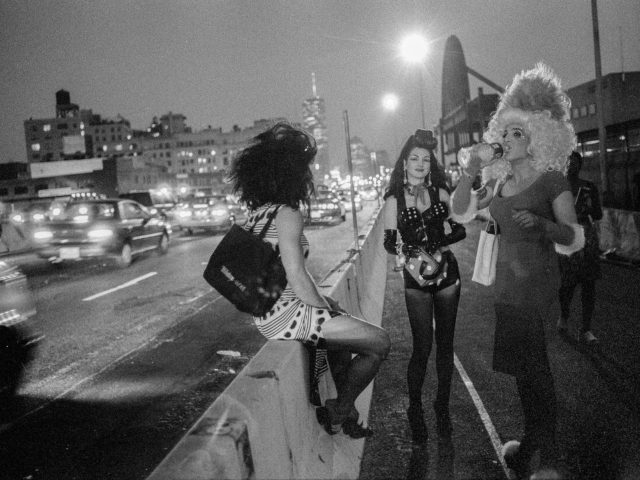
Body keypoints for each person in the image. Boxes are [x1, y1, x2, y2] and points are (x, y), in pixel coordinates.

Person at [451, 63, 584, 478]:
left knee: (537, 374)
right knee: (525, 376)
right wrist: (471, 169)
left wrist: (543, 225)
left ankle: (548, 458)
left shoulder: (552, 182)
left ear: (539, 137)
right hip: (507, 292)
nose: (507, 140)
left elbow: (575, 238)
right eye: (504, 133)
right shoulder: (500, 183)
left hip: (540, 290)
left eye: (517, 133)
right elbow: (462, 212)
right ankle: (532, 449)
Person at [227, 121, 390, 438]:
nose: (309, 175)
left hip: (271, 314)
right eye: (305, 168)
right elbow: (298, 277)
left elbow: (284, 275)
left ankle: (347, 415)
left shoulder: (258, 213)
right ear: (291, 173)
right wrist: (326, 312)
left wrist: (327, 304)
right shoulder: (287, 214)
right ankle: (339, 409)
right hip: (289, 315)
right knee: (379, 343)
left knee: (341, 339)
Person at [382, 129, 466, 443]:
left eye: (425, 159)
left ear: (431, 163)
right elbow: (390, 243)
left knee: (445, 345)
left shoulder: (442, 192)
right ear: (404, 161)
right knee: (422, 347)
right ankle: (415, 408)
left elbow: (460, 231)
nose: (419, 163)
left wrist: (436, 235)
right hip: (415, 276)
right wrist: (410, 247)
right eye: (414, 158)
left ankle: (441, 404)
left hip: (446, 273)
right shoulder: (394, 197)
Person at [557, 151, 603, 345]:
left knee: (589, 283)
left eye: (576, 162)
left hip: (587, 237)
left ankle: (586, 328)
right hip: (567, 236)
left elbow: (598, 214)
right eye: (569, 162)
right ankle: (564, 315)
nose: (572, 165)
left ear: (580, 165)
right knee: (567, 283)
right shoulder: (557, 187)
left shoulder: (589, 187)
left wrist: (587, 204)